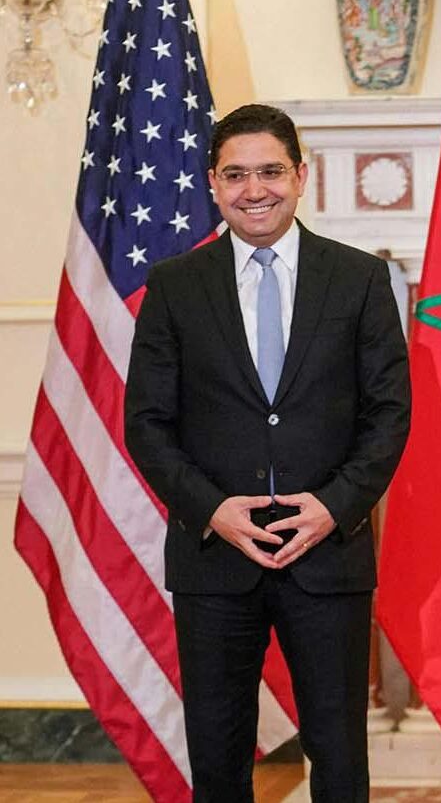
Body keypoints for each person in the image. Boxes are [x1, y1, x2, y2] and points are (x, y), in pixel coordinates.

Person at [126, 103, 411, 801]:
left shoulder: (359, 279)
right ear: (213, 183)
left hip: (328, 553)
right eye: (236, 174)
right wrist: (212, 510)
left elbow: (389, 414)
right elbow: (147, 423)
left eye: (271, 172)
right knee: (218, 759)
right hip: (215, 558)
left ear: (300, 176)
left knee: (339, 759)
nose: (255, 189)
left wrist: (334, 507)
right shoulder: (174, 284)